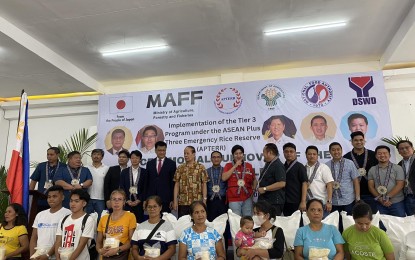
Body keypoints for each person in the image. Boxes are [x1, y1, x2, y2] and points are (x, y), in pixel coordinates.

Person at [30, 185, 71, 260]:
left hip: (56, 256)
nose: (51, 199)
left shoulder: (68, 214)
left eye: (55, 196)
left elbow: (62, 238)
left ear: (62, 198)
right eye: (49, 197)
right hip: (38, 255)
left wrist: (48, 255)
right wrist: (32, 255)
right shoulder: (40, 215)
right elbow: (34, 237)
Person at [55, 189, 96, 260]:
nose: (72, 204)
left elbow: (82, 244)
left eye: (76, 201)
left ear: (84, 204)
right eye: (71, 201)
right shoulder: (63, 219)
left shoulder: (88, 220)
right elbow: (58, 241)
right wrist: (58, 258)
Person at [344, 131, 379, 213]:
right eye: (356, 140)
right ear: (351, 142)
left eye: (361, 140)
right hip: (353, 195)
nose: (359, 142)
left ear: (364, 140)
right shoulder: (346, 158)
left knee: (373, 218)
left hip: (371, 194)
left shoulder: (373, 155)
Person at [96, 189, 136, 259]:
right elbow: (98, 242)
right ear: (110, 202)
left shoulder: (130, 216)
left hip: (122, 255)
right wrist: (100, 250)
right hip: (106, 255)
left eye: (119, 199)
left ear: (124, 202)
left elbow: (132, 241)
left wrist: (117, 250)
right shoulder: (104, 218)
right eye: (114, 199)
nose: (116, 202)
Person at [368, 145, 405, 217]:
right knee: (382, 226)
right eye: (379, 153)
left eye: (385, 153)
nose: (382, 155)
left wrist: (387, 197)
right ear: (376, 156)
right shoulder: (372, 169)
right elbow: (371, 187)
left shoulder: (398, 168)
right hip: (380, 203)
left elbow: (400, 184)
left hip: (396, 203)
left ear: (389, 155)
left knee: (399, 225)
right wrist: (380, 199)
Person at [173, 146, 208, 218]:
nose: (185, 155)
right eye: (184, 153)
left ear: (194, 154)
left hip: (197, 202)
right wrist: (175, 201)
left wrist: (204, 200)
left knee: (196, 222)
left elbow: (204, 184)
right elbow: (176, 185)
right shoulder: (180, 168)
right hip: (183, 201)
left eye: (187, 153)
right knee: (183, 223)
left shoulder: (201, 167)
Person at [326, 142, 360, 215]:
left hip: (348, 200)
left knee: (348, 222)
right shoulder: (326, 165)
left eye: (338, 149)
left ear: (341, 150)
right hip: (334, 201)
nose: (336, 152)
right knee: (336, 223)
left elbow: (356, 181)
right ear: (330, 152)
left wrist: (357, 198)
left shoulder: (350, 163)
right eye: (333, 150)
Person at [222, 145, 256, 217]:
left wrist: (253, 189)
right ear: (233, 155)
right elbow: (224, 178)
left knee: (248, 219)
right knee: (235, 221)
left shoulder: (249, 166)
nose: (238, 155)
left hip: (247, 198)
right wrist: (235, 166)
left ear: (243, 155)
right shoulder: (228, 165)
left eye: (240, 153)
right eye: (236, 153)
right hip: (234, 198)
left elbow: (254, 180)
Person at [29, 147, 66, 211]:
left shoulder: (64, 166)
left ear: (57, 155)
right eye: (48, 154)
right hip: (41, 198)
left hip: (57, 199)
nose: (49, 156)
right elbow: (33, 181)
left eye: (51, 155)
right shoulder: (41, 166)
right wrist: (29, 196)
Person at [144, 141, 177, 213]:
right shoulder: (150, 164)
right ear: (155, 150)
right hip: (151, 198)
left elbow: (173, 183)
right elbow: (147, 182)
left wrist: (172, 199)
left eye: (163, 150)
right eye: (159, 150)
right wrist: (146, 199)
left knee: (165, 220)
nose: (162, 152)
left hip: (166, 199)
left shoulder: (171, 164)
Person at [257, 143, 286, 216]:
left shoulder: (278, 165)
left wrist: (265, 188)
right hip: (266, 201)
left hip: (273, 203)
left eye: (264, 152)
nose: (263, 154)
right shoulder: (268, 163)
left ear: (269, 153)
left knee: (272, 224)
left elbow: (282, 183)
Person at [305, 146, 334, 217]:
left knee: (324, 226)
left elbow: (329, 184)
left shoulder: (323, 167)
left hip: (322, 204)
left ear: (317, 155)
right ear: (306, 155)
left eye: (314, 154)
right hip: (308, 204)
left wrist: (329, 202)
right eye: (309, 154)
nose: (312, 156)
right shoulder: (303, 168)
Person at [120, 150, 147, 223]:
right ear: (130, 159)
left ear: (140, 159)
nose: (134, 160)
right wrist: (127, 200)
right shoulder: (124, 172)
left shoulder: (144, 172)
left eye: (137, 158)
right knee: (126, 222)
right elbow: (122, 187)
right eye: (132, 158)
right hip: (127, 202)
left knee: (138, 222)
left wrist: (139, 200)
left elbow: (145, 188)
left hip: (139, 203)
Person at [282, 142, 308, 216]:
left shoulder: (300, 167)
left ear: (295, 153)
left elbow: (304, 183)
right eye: (286, 152)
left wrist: (303, 201)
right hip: (285, 201)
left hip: (296, 201)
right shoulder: (282, 167)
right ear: (283, 153)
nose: (289, 154)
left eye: (291, 151)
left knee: (298, 224)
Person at [86, 148, 109, 221]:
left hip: (101, 199)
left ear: (102, 157)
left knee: (100, 220)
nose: (96, 156)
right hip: (88, 198)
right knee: (87, 219)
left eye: (98, 154)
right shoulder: (86, 168)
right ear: (91, 156)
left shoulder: (107, 168)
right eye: (94, 154)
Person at [206, 151, 227, 221]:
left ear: (221, 159)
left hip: (223, 201)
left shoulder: (225, 171)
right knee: (211, 222)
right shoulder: (206, 171)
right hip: (210, 201)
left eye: (218, 157)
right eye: (214, 157)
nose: (216, 159)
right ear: (211, 159)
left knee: (223, 222)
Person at [396, 140, 415, 216]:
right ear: (399, 152)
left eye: (407, 147)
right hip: (407, 197)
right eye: (401, 148)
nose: (404, 150)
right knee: (412, 221)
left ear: (412, 148)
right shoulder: (399, 165)